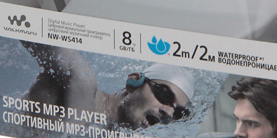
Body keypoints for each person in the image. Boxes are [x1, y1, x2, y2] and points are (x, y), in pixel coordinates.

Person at [23, 42, 194, 129]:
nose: (168, 113)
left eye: (178, 113)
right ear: (134, 83)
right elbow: (31, 25)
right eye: (164, 95)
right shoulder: (79, 83)